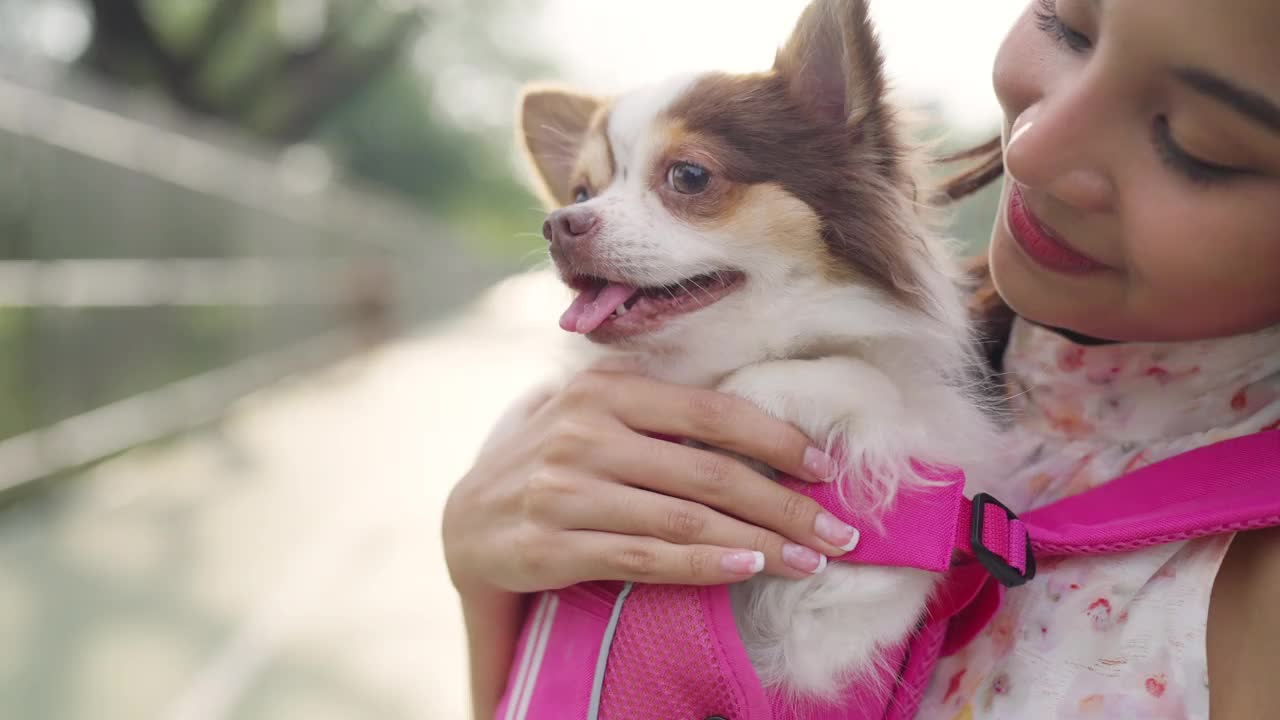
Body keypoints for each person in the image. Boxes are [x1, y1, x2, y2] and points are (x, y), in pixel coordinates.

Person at [442, 0, 1280, 717]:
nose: (1031, 147)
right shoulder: (960, 361)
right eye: (1066, 25)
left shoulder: (1247, 591)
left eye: (1196, 140)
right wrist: (492, 580)